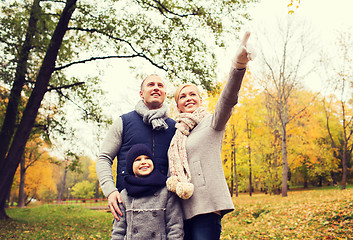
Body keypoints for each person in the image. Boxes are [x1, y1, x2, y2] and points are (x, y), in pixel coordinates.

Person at [166, 32, 255, 240]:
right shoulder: (177, 132)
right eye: (182, 96)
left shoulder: (212, 122)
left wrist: (238, 66)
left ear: (199, 98)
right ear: (177, 104)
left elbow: (227, 99)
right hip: (180, 211)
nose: (188, 98)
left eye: (192, 94)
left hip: (206, 208)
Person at [96, 74, 176, 223]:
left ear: (165, 94)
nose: (156, 88)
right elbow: (104, 158)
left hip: (165, 208)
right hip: (128, 205)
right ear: (141, 93)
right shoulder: (124, 122)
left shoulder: (174, 127)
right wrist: (110, 191)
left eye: (160, 85)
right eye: (151, 84)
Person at [111, 143, 184, 239]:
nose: (143, 162)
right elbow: (118, 231)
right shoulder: (125, 195)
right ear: (130, 166)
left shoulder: (166, 191)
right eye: (137, 160)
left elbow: (175, 226)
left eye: (147, 158)